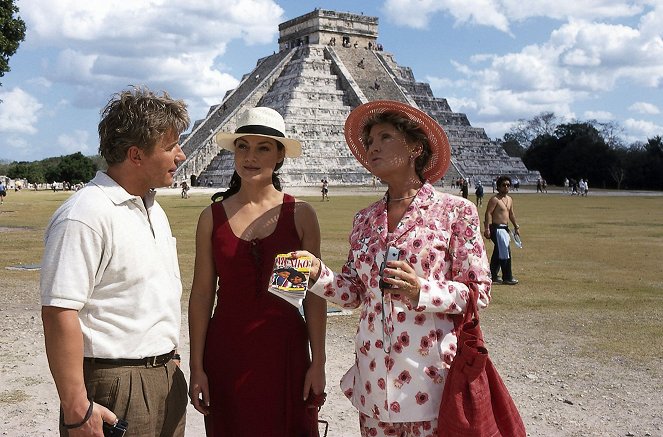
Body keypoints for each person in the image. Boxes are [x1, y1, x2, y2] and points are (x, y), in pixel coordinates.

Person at [293, 100, 491, 436]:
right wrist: (316, 274)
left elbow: (479, 292)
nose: (373, 147)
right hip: (373, 380)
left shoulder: (455, 212)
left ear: (415, 147)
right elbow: (355, 293)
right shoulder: (364, 219)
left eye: (385, 137)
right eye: (370, 141)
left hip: (430, 378)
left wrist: (421, 290)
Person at [40, 86, 190, 436]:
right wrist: (76, 406)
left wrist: (169, 357)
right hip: (116, 381)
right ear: (136, 155)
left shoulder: (151, 208)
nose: (181, 155)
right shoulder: (86, 214)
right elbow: (59, 311)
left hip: (164, 374)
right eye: (170, 147)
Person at [188, 107, 327, 436]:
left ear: (280, 155)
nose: (251, 156)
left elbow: (309, 297)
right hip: (227, 353)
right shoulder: (212, 217)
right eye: (243, 146)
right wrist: (197, 366)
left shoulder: (300, 215)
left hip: (284, 353)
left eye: (263, 147)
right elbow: (203, 295)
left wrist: (318, 361)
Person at [483, 175, 520, 285]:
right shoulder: (495, 199)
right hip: (496, 228)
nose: (506, 187)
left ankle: (492, 275)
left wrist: (516, 226)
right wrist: (487, 228)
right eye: (503, 185)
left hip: (505, 228)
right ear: (498, 186)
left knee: (499, 251)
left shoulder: (509, 199)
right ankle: (507, 277)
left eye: (508, 185)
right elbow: (488, 213)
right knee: (505, 251)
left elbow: (511, 214)